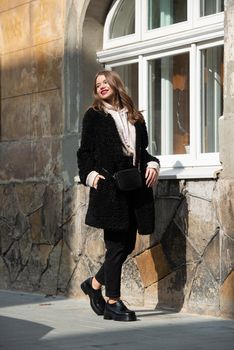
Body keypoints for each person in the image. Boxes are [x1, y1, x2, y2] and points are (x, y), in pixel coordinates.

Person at [77, 70, 160, 321]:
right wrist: (91, 177)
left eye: (105, 82)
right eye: (97, 84)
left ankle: (93, 284)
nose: (101, 86)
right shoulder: (94, 116)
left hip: (135, 188)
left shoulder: (135, 117)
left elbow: (142, 151)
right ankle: (113, 301)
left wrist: (153, 164)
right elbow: (85, 153)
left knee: (128, 245)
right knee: (115, 246)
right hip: (110, 189)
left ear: (115, 84)